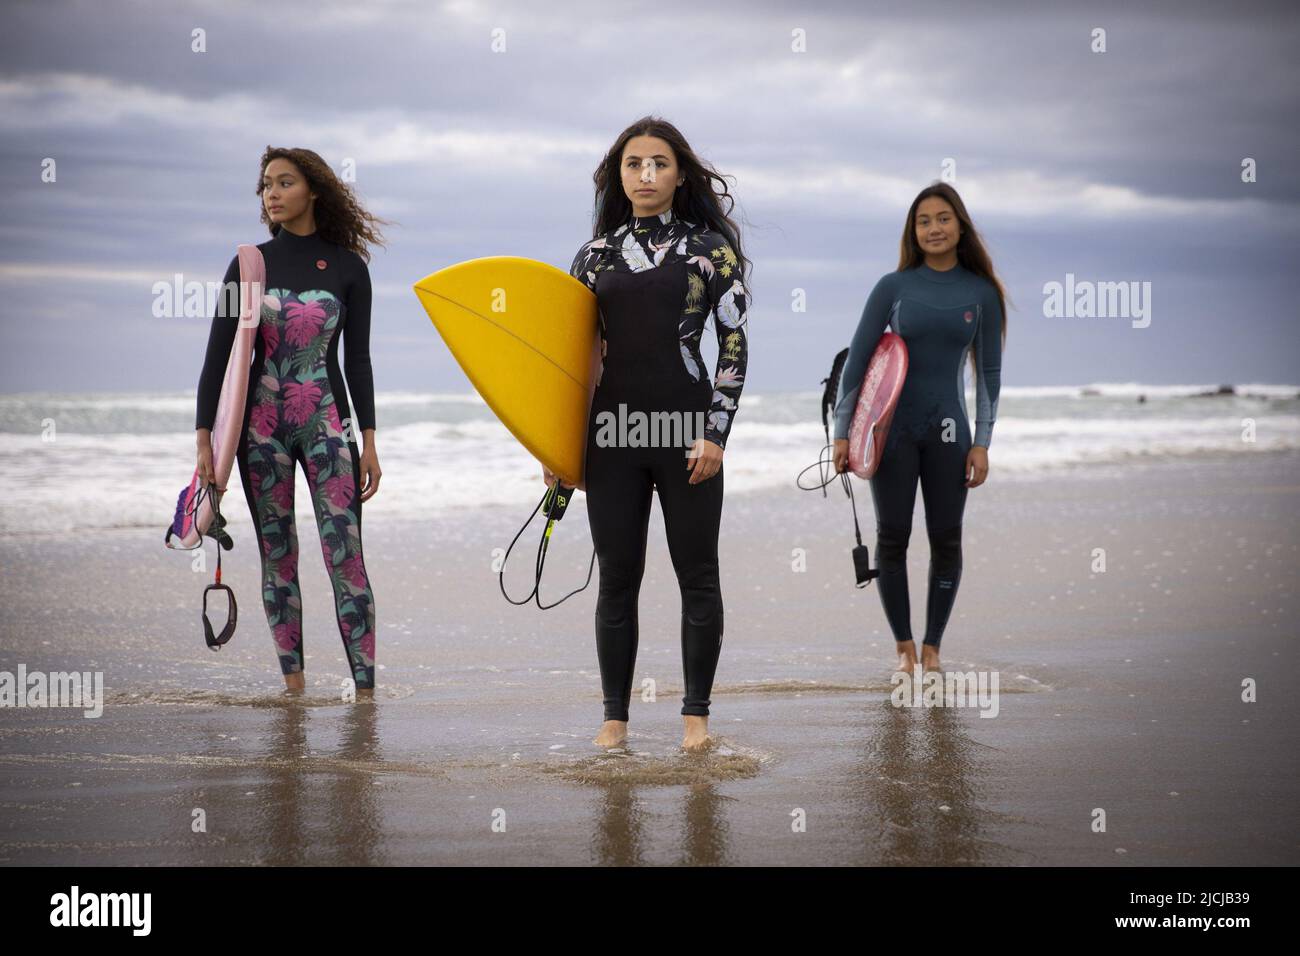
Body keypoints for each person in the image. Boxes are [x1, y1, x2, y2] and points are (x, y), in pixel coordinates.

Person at [562, 116, 750, 752]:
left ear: (678, 173)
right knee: (617, 577)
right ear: (619, 175)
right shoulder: (593, 257)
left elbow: (732, 342)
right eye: (633, 164)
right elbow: (572, 356)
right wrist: (557, 445)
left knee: (697, 574)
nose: (645, 174)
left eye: (658, 163)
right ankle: (614, 719)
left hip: (686, 433)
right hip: (610, 436)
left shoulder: (709, 250)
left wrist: (716, 433)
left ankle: (695, 718)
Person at [195, 146, 386, 696]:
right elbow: (218, 355)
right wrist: (204, 439)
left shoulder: (349, 267)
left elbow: (360, 362)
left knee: (345, 555)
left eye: (283, 183)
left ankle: (366, 693)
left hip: (329, 427)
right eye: (265, 185)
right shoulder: (251, 264)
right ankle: (295, 690)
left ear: (314, 191)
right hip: (260, 431)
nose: (271, 194)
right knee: (278, 558)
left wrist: (368, 441)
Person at [832, 182, 1006, 677]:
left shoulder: (981, 293)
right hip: (893, 433)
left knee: (946, 541)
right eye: (923, 220)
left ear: (961, 225)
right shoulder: (893, 287)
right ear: (913, 230)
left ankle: (933, 649)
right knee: (893, 539)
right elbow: (858, 362)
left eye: (943, 218)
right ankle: (904, 650)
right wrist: (843, 434)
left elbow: (989, 375)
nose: (933, 228)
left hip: (950, 432)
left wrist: (982, 443)